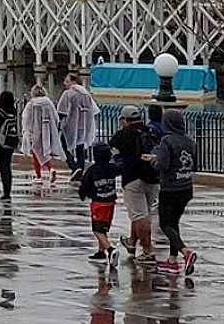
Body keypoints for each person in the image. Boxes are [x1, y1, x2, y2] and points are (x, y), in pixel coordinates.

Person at [147, 107, 197, 275]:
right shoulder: (190, 141)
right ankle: (172, 261)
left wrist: (153, 160)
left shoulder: (166, 141)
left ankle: (185, 252)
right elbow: (195, 165)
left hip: (170, 189)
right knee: (174, 223)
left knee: (165, 224)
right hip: (186, 188)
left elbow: (162, 165)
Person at [109, 106, 159, 263]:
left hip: (132, 179)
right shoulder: (150, 132)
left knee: (139, 215)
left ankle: (148, 250)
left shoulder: (122, 135)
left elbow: (114, 153)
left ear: (124, 120)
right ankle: (131, 242)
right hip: (152, 178)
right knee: (142, 213)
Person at [77, 142, 122, 267]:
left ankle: (110, 249)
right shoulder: (112, 168)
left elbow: (85, 185)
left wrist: (82, 194)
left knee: (97, 230)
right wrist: (118, 157)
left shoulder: (93, 170)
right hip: (110, 202)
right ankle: (101, 252)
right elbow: (121, 167)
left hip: (98, 203)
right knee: (104, 228)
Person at [56, 72, 98, 180]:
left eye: (67, 81)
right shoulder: (86, 94)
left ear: (73, 81)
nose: (65, 84)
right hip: (83, 125)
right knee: (80, 148)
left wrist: (59, 124)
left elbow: (61, 110)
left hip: (70, 124)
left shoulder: (68, 93)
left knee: (62, 146)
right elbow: (93, 110)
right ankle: (80, 170)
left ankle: (74, 166)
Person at [21, 84, 62, 184]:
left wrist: (26, 131)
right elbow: (56, 117)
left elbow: (26, 118)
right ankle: (44, 171)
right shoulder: (48, 103)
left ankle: (42, 173)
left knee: (36, 151)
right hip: (47, 130)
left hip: (35, 131)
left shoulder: (31, 104)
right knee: (43, 151)